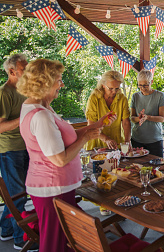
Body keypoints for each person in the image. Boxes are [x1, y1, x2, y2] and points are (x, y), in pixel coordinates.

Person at [17, 59, 113, 252]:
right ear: (44, 83)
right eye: (59, 80)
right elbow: (60, 159)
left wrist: (95, 126)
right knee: (55, 244)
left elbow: (64, 137)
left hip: (55, 187)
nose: (62, 84)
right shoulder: (41, 116)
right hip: (53, 189)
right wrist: (86, 138)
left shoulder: (39, 108)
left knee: (66, 239)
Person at [0, 54, 32, 250]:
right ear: (12, 71)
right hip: (9, 150)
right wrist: (24, 117)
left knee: (16, 193)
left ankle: (6, 229)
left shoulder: (23, 91)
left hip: (23, 146)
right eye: (25, 69)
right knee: (18, 194)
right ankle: (20, 238)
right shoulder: (3, 93)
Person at [84, 70, 131, 151]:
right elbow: (91, 125)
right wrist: (106, 139)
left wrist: (127, 142)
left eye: (117, 88)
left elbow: (126, 122)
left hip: (116, 142)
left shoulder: (122, 99)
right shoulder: (94, 98)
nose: (114, 92)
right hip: (97, 142)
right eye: (111, 88)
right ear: (103, 85)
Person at [130, 69, 164, 157]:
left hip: (154, 140)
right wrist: (138, 118)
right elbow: (132, 118)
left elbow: (162, 118)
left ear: (151, 82)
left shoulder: (160, 96)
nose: (142, 88)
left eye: (145, 85)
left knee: (157, 168)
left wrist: (147, 117)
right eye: (140, 85)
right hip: (137, 139)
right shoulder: (135, 96)